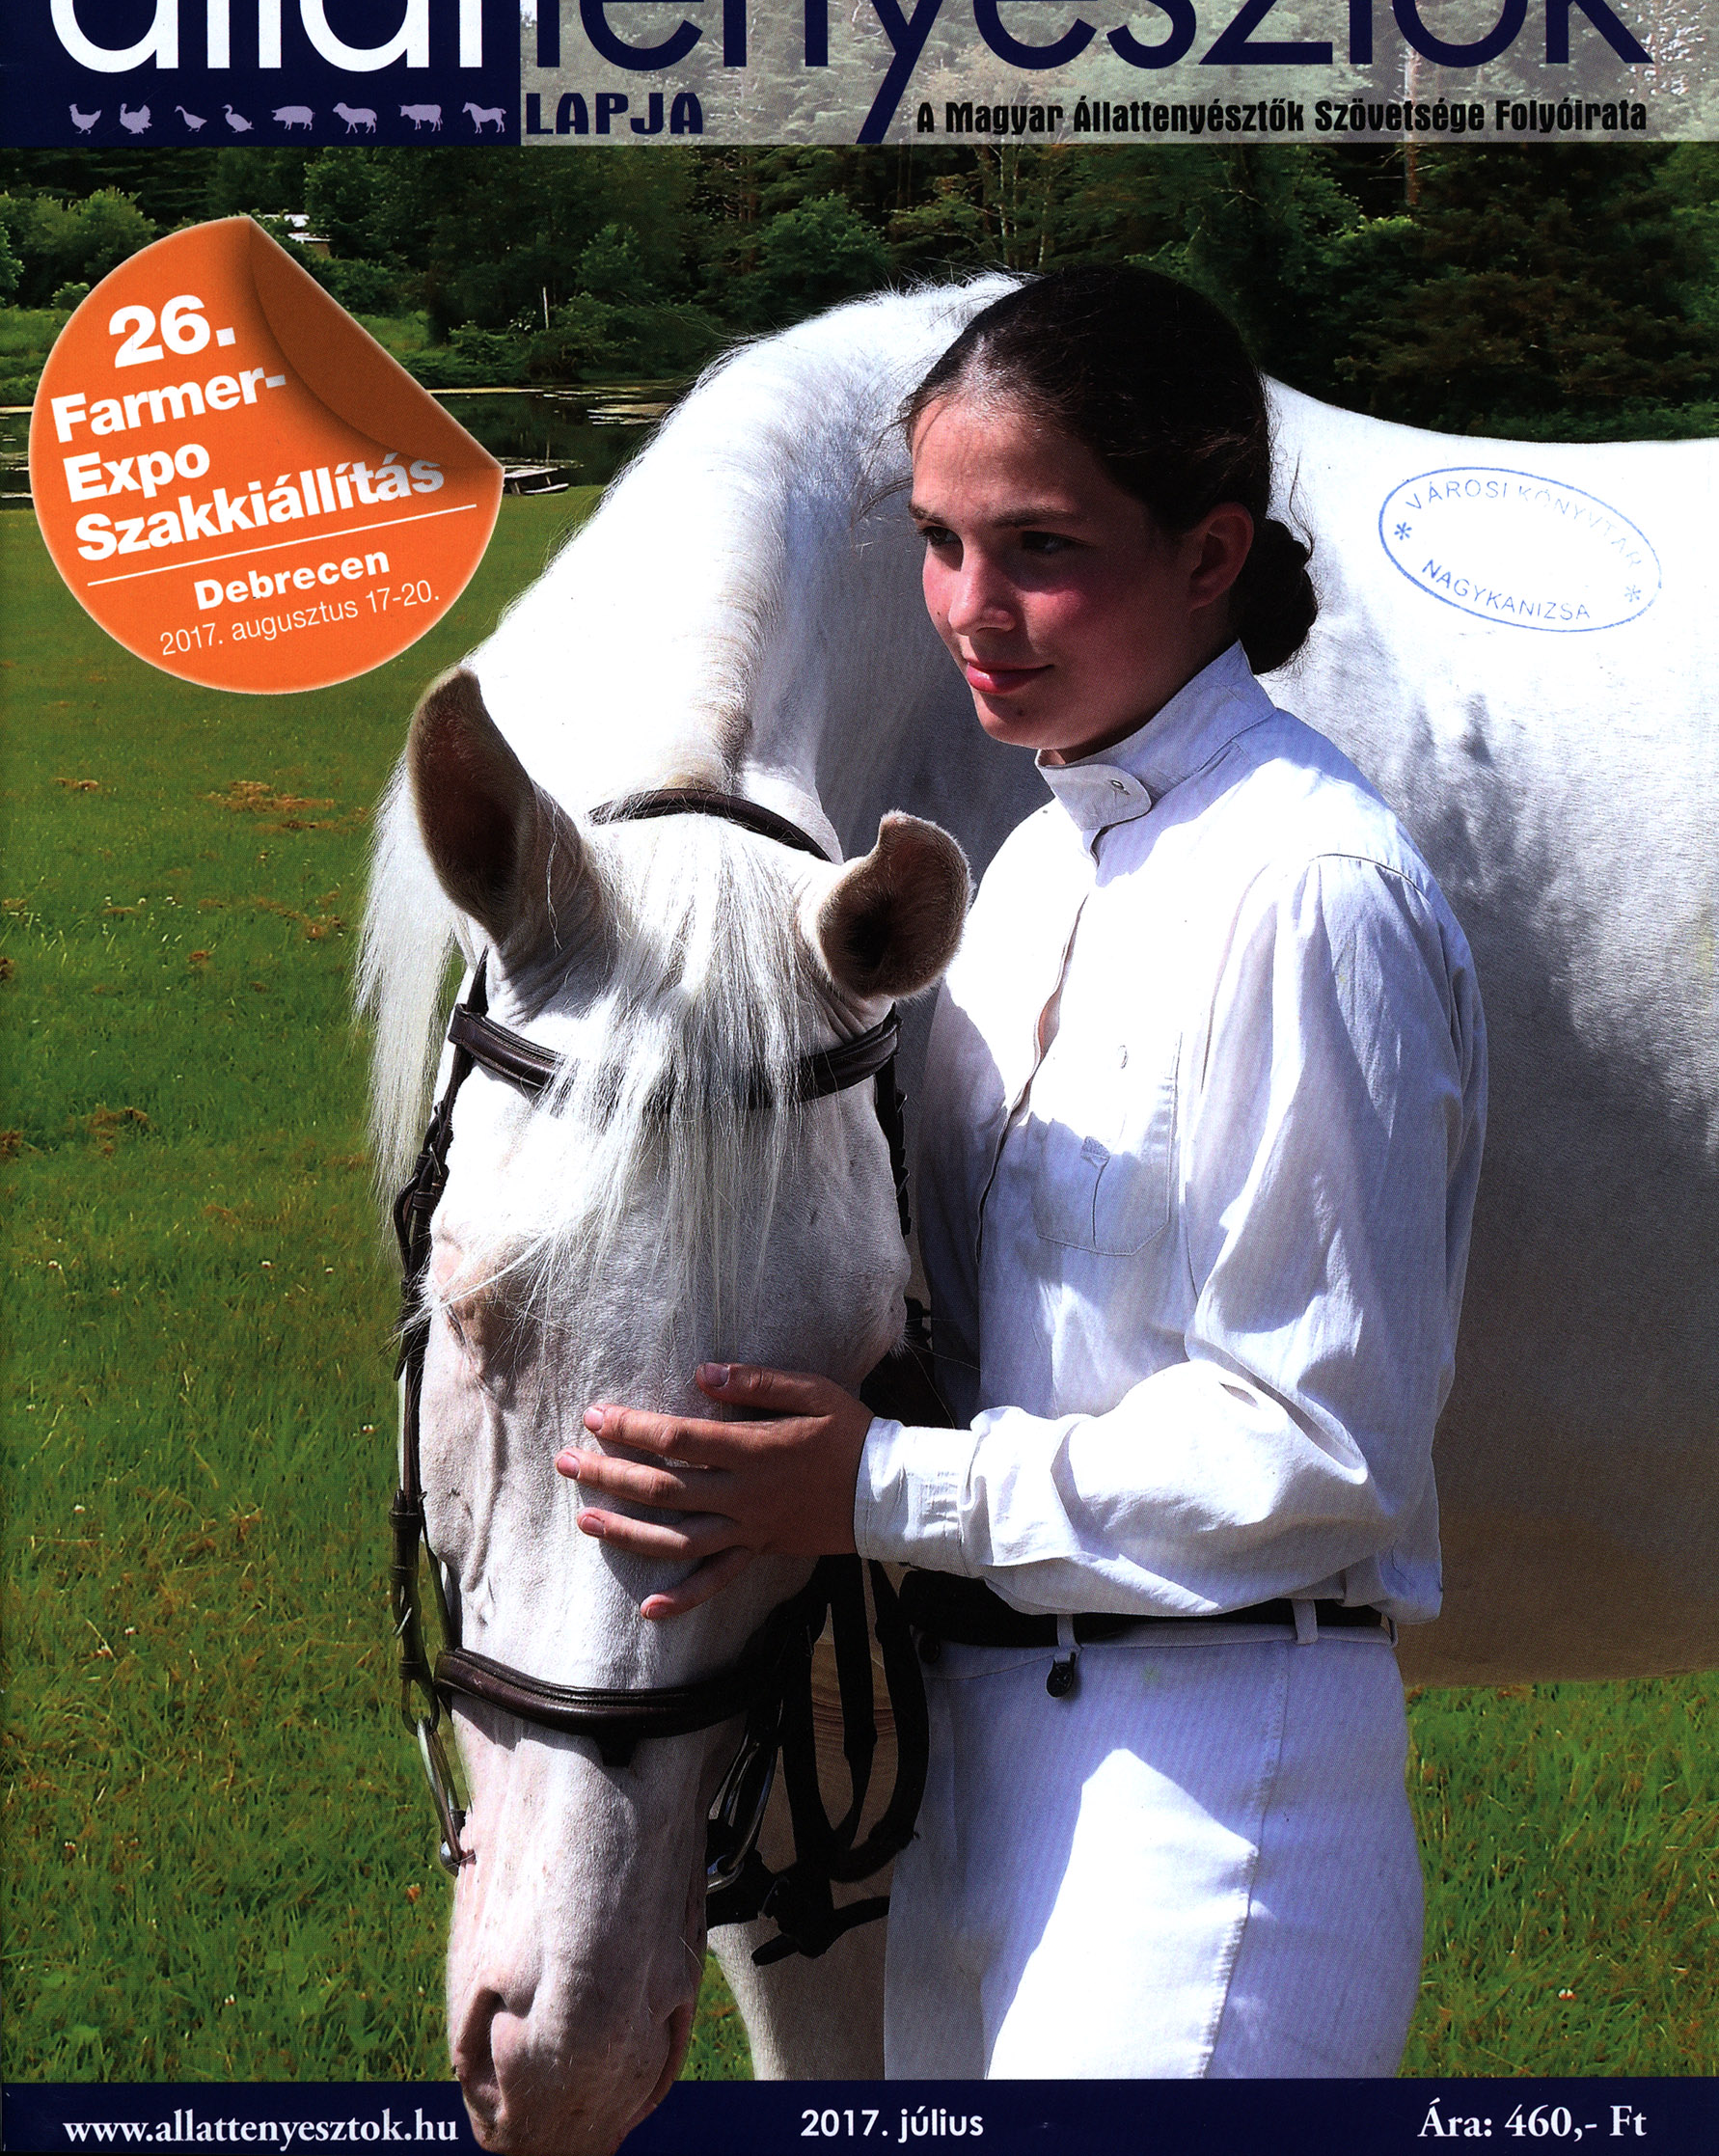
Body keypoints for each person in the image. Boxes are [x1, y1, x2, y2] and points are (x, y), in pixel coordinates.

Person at [555, 266, 1487, 2080]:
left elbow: (1321, 1451)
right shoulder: (1033, 870)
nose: (970, 611)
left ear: (1209, 554)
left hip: (1212, 1780)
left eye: (1038, 548)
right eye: (938, 542)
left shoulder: (1304, 888)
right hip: (973, 1766)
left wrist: (873, 1483)